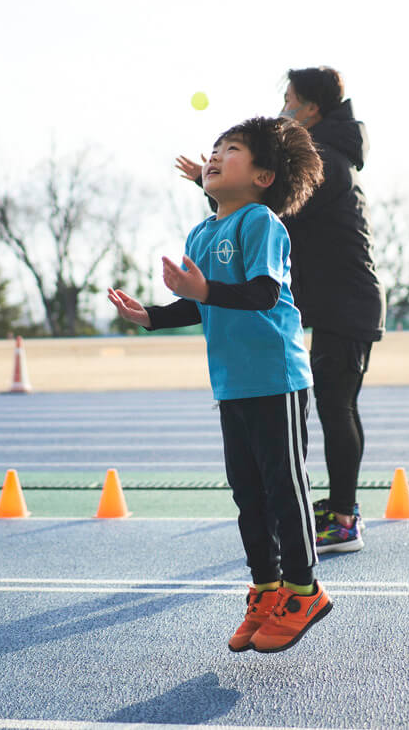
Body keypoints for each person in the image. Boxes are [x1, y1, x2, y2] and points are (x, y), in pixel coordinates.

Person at [110, 116, 330, 654]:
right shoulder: (202, 232)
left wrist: (205, 288)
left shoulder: (261, 223)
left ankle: (305, 591)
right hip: (232, 383)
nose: (213, 156)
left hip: (275, 377)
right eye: (213, 148)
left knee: (285, 488)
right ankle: (267, 588)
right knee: (247, 493)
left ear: (263, 176)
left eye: (231, 149)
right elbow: (199, 302)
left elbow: (259, 293)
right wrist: (153, 317)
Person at [176, 67, 384, 554]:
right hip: (328, 298)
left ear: (311, 108)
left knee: (336, 406)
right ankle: (329, 508)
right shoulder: (326, 153)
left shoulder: (328, 160)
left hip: (347, 298)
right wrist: (213, 180)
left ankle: (345, 517)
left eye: (289, 99)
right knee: (329, 406)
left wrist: (213, 184)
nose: (283, 106)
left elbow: (272, 206)